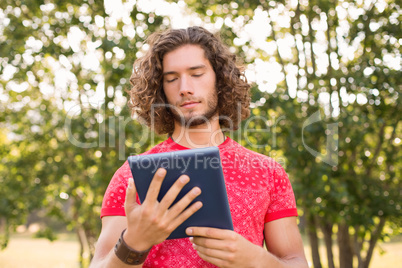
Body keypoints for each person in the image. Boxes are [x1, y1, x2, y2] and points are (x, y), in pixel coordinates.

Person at [90, 26, 308, 268]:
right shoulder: (131, 177)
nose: (184, 87)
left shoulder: (268, 173)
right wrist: (134, 242)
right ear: (160, 89)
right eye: (171, 78)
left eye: (196, 74)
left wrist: (256, 259)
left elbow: (295, 262)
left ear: (220, 79)